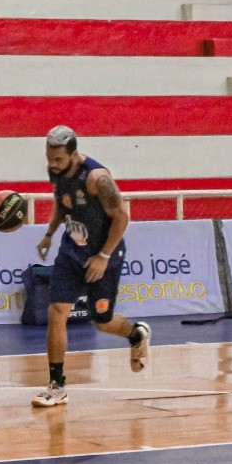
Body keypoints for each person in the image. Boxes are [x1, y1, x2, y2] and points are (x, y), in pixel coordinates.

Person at [32, 126, 151, 407]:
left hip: (103, 255)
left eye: (58, 158)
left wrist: (104, 256)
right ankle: (57, 385)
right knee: (57, 311)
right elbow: (62, 203)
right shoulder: (55, 171)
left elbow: (122, 216)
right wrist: (50, 233)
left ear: (74, 154)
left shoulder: (98, 179)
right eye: (49, 157)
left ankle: (137, 334)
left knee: (104, 322)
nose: (52, 163)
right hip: (71, 252)